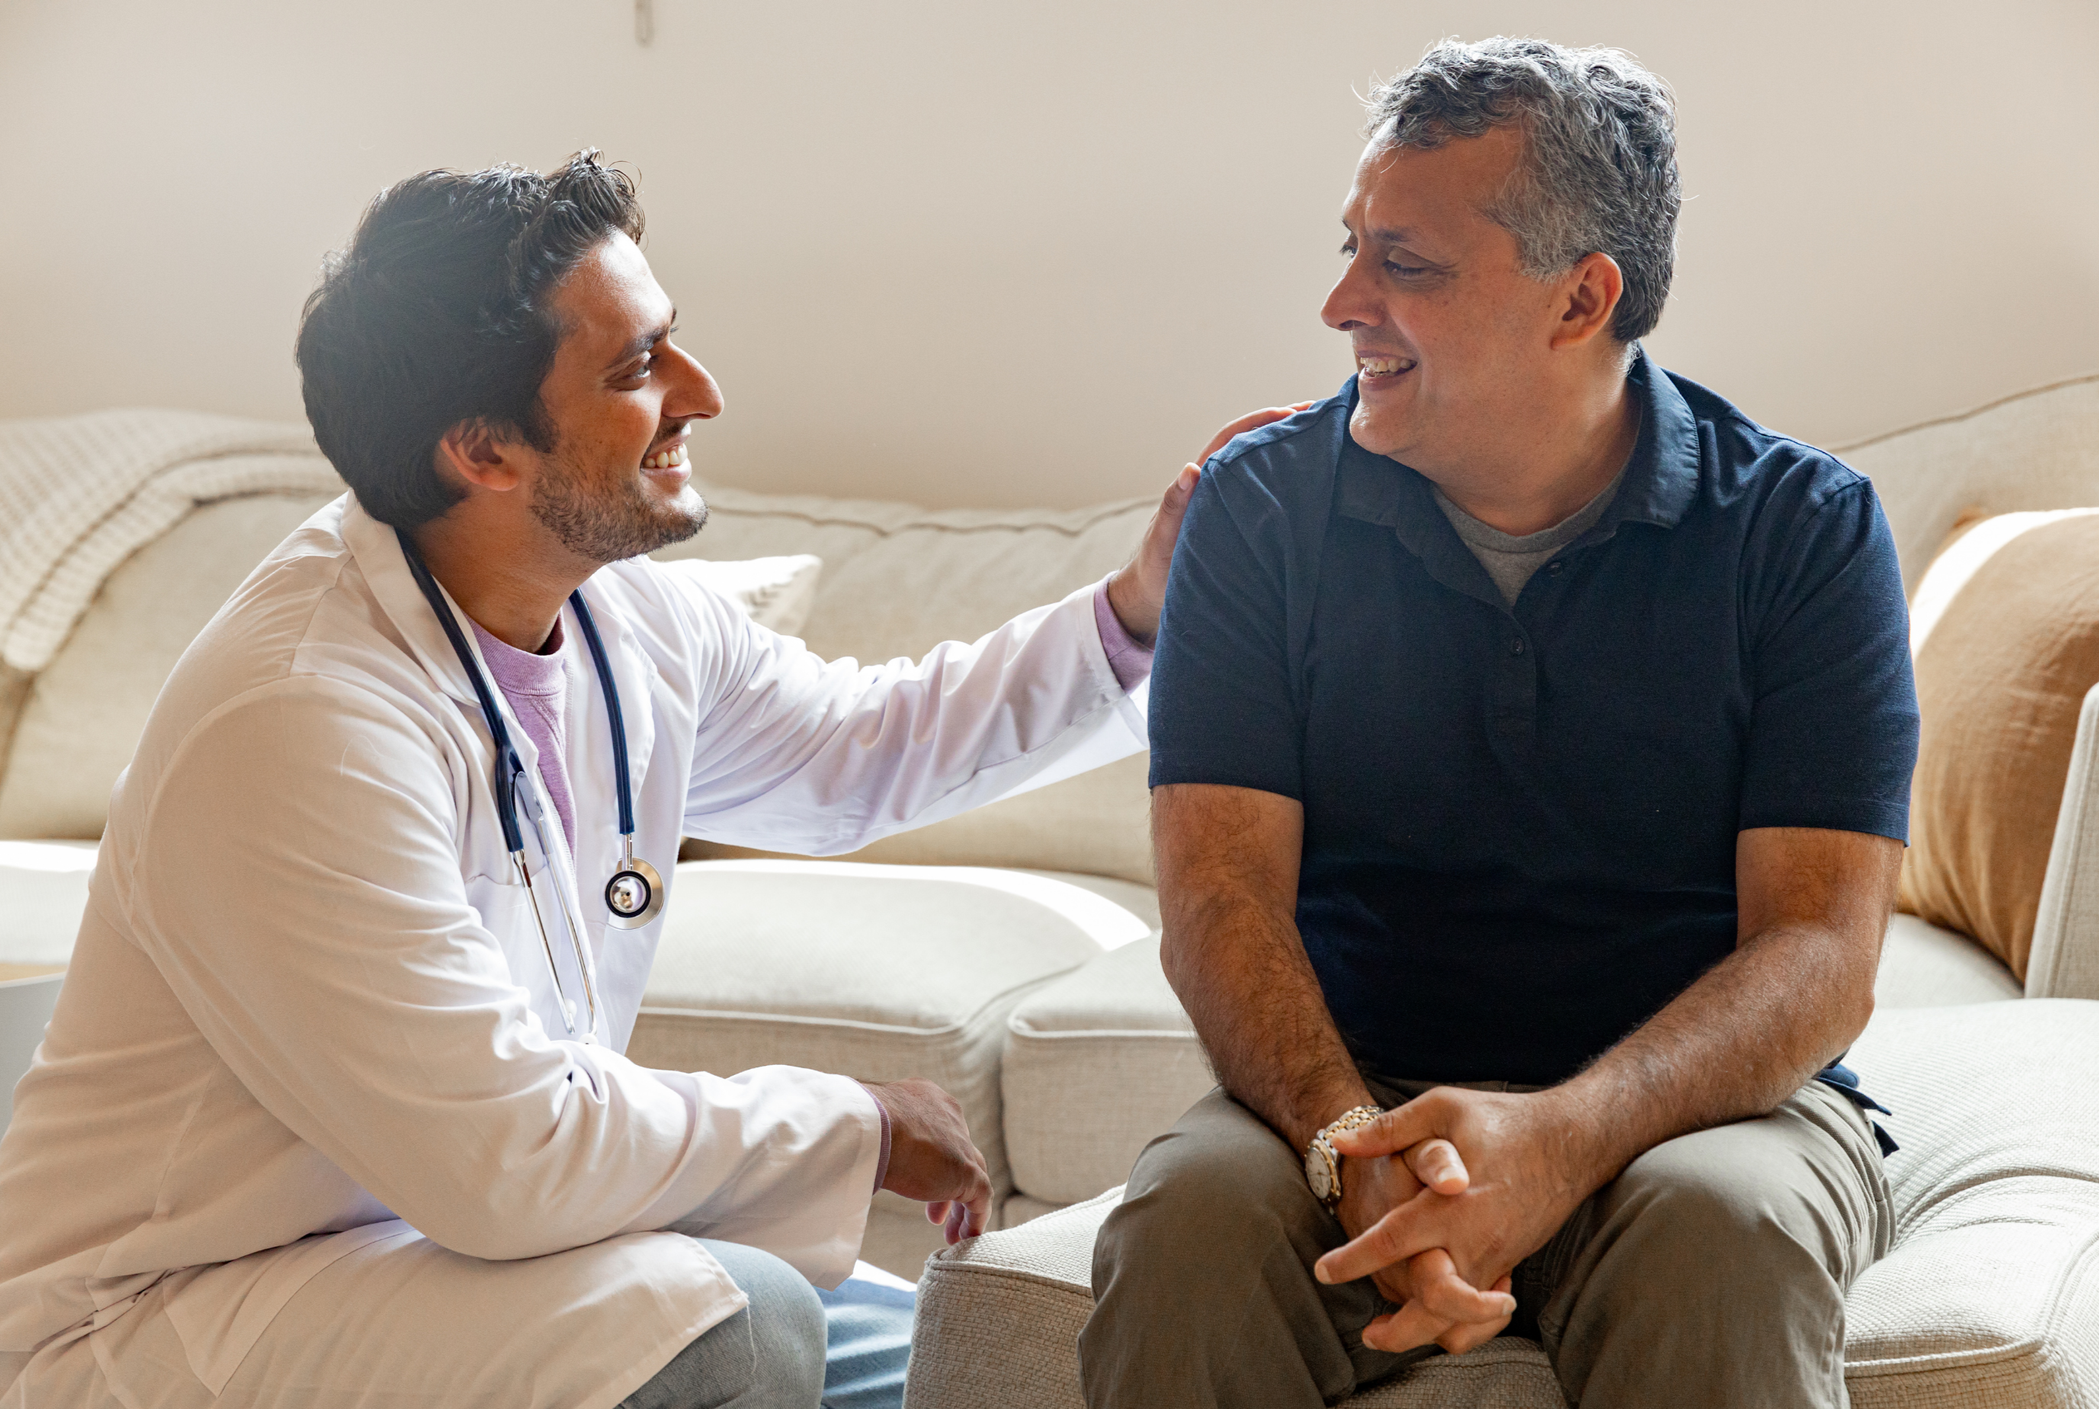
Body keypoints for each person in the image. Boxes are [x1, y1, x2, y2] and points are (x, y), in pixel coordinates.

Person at [0, 152, 1291, 1409]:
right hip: (174, 1311)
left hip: (435, 1253)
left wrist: (1143, 603)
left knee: (993, 1346)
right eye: (635, 366)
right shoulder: (301, 715)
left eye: (672, 338)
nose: (702, 391)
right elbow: (506, 1157)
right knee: (729, 1331)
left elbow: (856, 752)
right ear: (483, 452)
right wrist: (853, 1119)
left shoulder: (621, 617)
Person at [1081, 37, 1917, 1409]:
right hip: (1348, 1099)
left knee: (1726, 1236)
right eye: (1352, 248)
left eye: (1405, 267)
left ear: (1578, 298)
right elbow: (1220, 900)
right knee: (1188, 1229)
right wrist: (1356, 1147)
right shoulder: (1257, 510)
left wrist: (1558, 1141)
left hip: (1690, 1119)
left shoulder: (1800, 529)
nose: (1342, 302)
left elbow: (1820, 948)